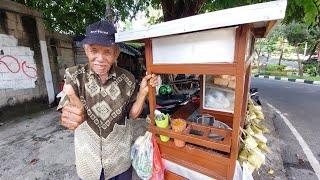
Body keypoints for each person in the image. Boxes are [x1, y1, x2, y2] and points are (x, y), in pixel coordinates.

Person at [58, 20, 158, 180]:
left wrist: (142, 93)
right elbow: (68, 107)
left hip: (120, 160)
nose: (100, 58)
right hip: (88, 162)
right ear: (85, 49)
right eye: (94, 50)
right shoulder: (74, 76)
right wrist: (71, 113)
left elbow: (132, 115)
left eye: (107, 52)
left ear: (116, 52)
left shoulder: (128, 79)